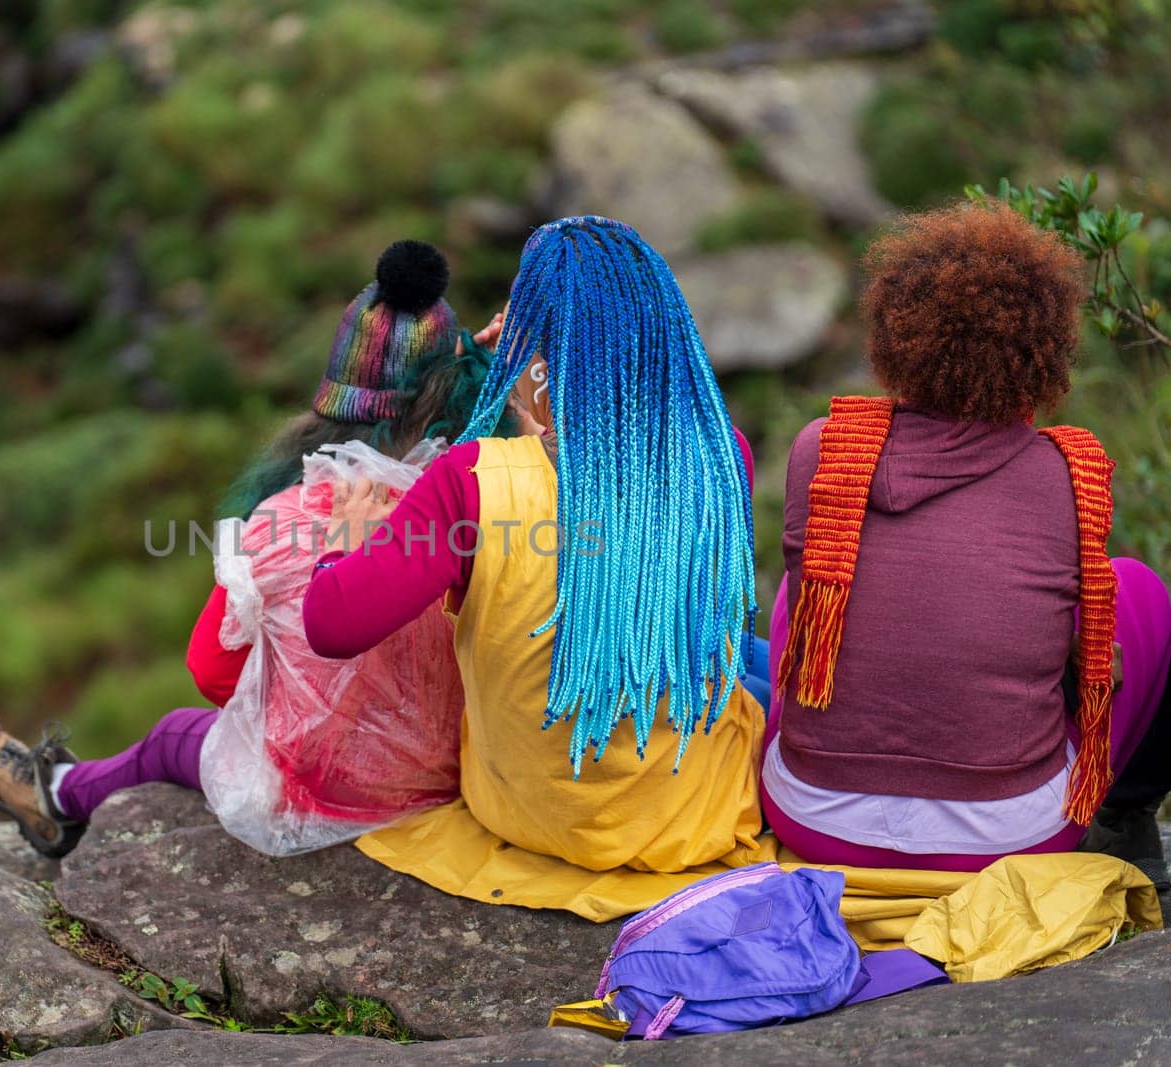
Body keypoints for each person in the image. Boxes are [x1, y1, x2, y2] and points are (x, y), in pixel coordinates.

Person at [0, 240, 505, 858]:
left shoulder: (285, 519)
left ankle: (54, 794)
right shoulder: (490, 495)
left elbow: (215, 675)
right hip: (464, 778)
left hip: (337, 790)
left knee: (173, 736)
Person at [302, 215, 768, 881]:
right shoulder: (724, 457)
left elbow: (332, 621)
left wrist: (342, 543)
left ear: (540, 359)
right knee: (749, 660)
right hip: (692, 817)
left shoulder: (469, 482)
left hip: (532, 818)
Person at [763, 203, 1171, 894]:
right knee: (1138, 593)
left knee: (809, 581)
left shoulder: (822, 450)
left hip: (814, 816)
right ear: (1045, 349)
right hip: (1009, 837)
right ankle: (1125, 816)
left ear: (896, 332)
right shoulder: (1067, 476)